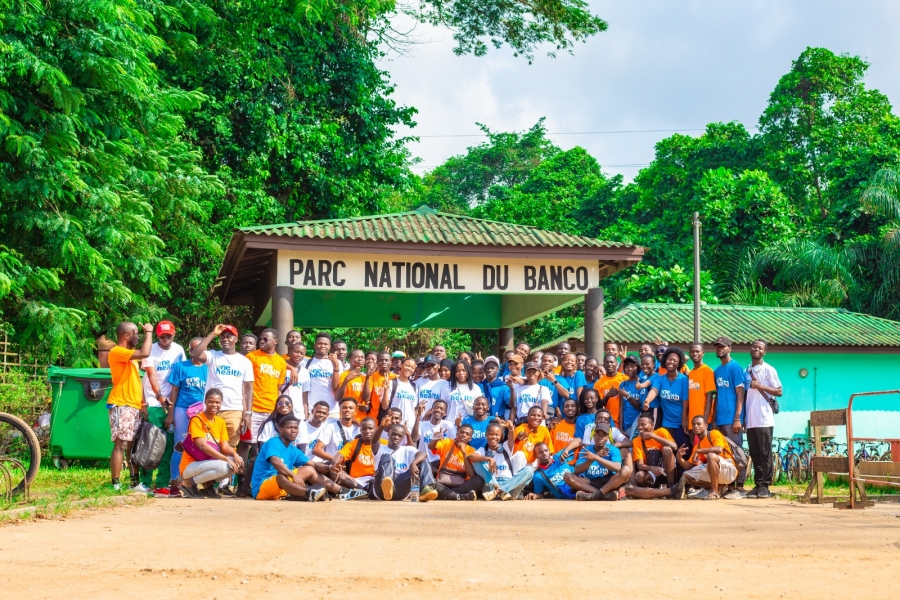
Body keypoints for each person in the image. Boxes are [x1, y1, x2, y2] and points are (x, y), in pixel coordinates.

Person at [191, 324, 253, 472]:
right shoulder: (213, 355)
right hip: (212, 409)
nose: (226, 339)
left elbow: (248, 389)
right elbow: (196, 354)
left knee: (230, 446)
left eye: (229, 336)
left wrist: (248, 413)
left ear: (236, 339)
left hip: (234, 409)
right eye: (223, 336)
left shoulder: (244, 361)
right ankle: (208, 481)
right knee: (208, 444)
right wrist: (213, 333)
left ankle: (224, 484)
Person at [136, 320, 185, 495]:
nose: (165, 338)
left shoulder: (179, 350)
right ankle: (146, 481)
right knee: (151, 443)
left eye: (168, 335)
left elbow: (180, 375)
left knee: (168, 444)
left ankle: (162, 482)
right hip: (154, 403)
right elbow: (151, 375)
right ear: (157, 336)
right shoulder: (151, 350)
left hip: (173, 404)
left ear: (174, 334)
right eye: (162, 336)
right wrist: (158, 396)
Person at [251, 414, 346, 502]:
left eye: (296, 428)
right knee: (281, 476)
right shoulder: (273, 442)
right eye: (289, 428)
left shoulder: (293, 449)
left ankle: (343, 491)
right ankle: (308, 492)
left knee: (309, 469)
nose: (293, 431)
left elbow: (313, 464)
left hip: (283, 487)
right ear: (280, 429)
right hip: (262, 488)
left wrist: (329, 468)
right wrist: (293, 476)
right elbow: (275, 462)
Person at [107, 321, 155, 490]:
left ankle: (134, 483)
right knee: (121, 444)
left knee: (133, 446)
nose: (138, 336)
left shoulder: (129, 356)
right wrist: (149, 331)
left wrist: (142, 404)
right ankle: (116, 484)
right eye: (135, 333)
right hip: (122, 404)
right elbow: (145, 352)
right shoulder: (117, 352)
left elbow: (136, 381)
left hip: (133, 405)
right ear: (126, 336)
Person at [178, 388, 245, 499]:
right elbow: (202, 446)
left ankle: (207, 486)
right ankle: (188, 483)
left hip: (208, 464)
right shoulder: (197, 420)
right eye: (211, 401)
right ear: (205, 402)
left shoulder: (220, 422)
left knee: (238, 462)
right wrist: (226, 459)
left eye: (217, 402)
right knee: (224, 466)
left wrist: (234, 455)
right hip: (190, 466)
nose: (214, 405)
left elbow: (224, 446)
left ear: (221, 403)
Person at [166, 337, 208, 496]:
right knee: (180, 445)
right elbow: (174, 391)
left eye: (198, 349)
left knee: (201, 446)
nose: (194, 352)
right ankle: (174, 483)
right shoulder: (181, 367)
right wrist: (171, 414)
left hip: (202, 412)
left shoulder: (208, 367)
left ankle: (195, 483)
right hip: (182, 410)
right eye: (191, 349)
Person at [744, 339, 782, 499]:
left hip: (764, 419)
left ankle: (765, 486)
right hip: (751, 419)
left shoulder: (769, 370)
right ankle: (758, 484)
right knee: (755, 453)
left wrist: (761, 386)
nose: (756, 349)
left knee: (765, 453)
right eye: (754, 346)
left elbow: (779, 391)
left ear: (764, 352)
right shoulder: (747, 370)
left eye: (760, 348)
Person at [713, 336, 747, 498]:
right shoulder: (717, 371)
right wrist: (714, 419)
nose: (720, 349)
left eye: (723, 347)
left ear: (729, 348)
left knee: (737, 452)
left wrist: (737, 418)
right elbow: (717, 396)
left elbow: (741, 395)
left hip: (732, 419)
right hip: (720, 419)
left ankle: (740, 487)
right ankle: (730, 486)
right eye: (717, 347)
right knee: (725, 454)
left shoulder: (735, 367)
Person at [674, 415, 739, 500]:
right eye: (693, 424)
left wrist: (699, 451)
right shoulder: (697, 446)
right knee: (686, 476)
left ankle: (714, 492)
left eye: (698, 424)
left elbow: (719, 449)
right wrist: (679, 458)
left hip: (729, 471)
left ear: (706, 426)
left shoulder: (714, 433)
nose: (695, 426)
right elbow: (689, 466)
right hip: (716, 474)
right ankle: (718, 486)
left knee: (711, 456)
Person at [623, 413, 684, 499]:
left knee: (667, 449)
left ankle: (670, 486)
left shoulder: (661, 432)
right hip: (652, 472)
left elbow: (674, 446)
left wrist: (653, 436)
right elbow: (640, 465)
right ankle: (653, 491)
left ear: (652, 425)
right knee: (639, 476)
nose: (640, 427)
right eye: (639, 425)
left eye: (643, 424)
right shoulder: (637, 440)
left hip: (667, 470)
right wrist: (652, 468)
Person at [372, 424, 438, 502]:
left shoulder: (407, 449)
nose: (396, 437)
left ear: (403, 438)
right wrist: (382, 426)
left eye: (399, 436)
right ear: (388, 433)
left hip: (400, 491)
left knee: (423, 461)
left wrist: (413, 463)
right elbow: (374, 441)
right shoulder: (380, 448)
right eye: (394, 434)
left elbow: (423, 454)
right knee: (387, 456)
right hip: (381, 490)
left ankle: (427, 489)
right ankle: (387, 483)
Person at [468, 421, 533, 500]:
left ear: (501, 436)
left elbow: (511, 439)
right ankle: (497, 489)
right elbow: (471, 456)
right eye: (491, 434)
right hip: (490, 487)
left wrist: (511, 429)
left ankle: (498, 491)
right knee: (477, 462)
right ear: (486, 435)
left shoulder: (506, 447)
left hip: (509, 488)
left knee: (529, 469)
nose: (494, 437)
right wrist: (488, 459)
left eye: (497, 435)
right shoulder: (482, 450)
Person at [643, 347, 691, 452]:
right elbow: (654, 390)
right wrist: (647, 400)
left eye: (675, 360)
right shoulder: (660, 379)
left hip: (680, 422)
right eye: (669, 359)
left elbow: (685, 405)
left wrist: (683, 424)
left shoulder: (684, 380)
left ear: (679, 364)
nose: (671, 362)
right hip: (666, 422)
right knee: (667, 450)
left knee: (681, 450)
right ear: (665, 360)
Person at [566, 422, 630, 501]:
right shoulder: (586, 449)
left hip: (609, 482)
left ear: (607, 437)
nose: (600, 437)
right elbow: (577, 470)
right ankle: (603, 495)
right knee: (567, 476)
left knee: (626, 470)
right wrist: (591, 459)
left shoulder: (613, 449)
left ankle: (595, 495)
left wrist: (596, 457)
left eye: (603, 435)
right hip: (590, 482)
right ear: (593, 435)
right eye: (597, 434)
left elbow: (617, 467)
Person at [328, 417, 380, 499]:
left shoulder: (383, 443)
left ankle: (363, 491)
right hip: (355, 481)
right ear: (360, 430)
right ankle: (365, 491)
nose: (367, 431)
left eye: (370, 428)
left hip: (376, 479)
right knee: (338, 473)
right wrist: (335, 464)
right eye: (364, 429)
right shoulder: (353, 444)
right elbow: (338, 456)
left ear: (376, 430)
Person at [429, 424, 484, 500]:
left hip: (460, 485)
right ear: (457, 433)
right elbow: (431, 447)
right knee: (428, 479)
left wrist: (464, 454)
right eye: (462, 432)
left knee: (479, 480)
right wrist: (436, 439)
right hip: (442, 483)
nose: (464, 435)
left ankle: (446, 494)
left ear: (470, 438)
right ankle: (456, 495)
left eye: (467, 434)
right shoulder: (447, 442)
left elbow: (471, 475)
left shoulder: (471, 450)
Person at [312, 397, 360, 461]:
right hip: (334, 465)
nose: (347, 410)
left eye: (351, 408)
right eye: (344, 407)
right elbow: (316, 449)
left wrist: (361, 424)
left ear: (355, 411)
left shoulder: (360, 429)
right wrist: (335, 460)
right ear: (340, 410)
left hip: (353, 466)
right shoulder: (331, 427)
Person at [306, 333, 342, 417]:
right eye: (320, 343)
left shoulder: (337, 363)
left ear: (329, 347)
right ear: (315, 345)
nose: (322, 346)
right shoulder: (307, 363)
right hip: (313, 410)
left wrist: (336, 365)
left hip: (332, 410)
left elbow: (337, 387)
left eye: (325, 344)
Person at [416, 399, 457, 471]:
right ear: (431, 410)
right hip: (423, 461)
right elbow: (414, 438)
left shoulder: (448, 425)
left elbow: (456, 443)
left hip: (440, 462)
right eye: (436, 407)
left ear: (445, 413)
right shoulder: (422, 424)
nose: (438, 410)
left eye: (441, 409)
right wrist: (418, 415)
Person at [541, 352, 585, 417]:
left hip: (575, 412)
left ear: (575, 364)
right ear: (562, 362)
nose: (569, 362)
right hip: (563, 413)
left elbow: (579, 395)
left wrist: (579, 410)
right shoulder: (560, 378)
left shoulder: (578, 374)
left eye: (572, 361)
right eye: (566, 360)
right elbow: (556, 398)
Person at [381, 356, 418, 431]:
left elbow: (413, 409)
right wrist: (385, 390)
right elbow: (384, 407)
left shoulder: (414, 386)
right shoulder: (392, 383)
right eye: (407, 365)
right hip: (393, 426)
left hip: (409, 428)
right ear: (401, 365)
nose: (409, 369)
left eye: (412, 367)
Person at [593, 353, 629, 427]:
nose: (609, 364)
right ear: (604, 365)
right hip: (610, 420)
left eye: (612, 362)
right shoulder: (598, 383)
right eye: (607, 362)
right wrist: (608, 395)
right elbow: (598, 405)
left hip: (626, 419)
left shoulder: (625, 378)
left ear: (616, 363)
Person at [334, 349, 371, 422]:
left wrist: (365, 407)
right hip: (347, 417)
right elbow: (337, 397)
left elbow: (366, 399)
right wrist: (347, 379)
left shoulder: (365, 377)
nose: (360, 359)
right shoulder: (343, 375)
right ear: (350, 359)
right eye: (356, 357)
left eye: (362, 357)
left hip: (361, 418)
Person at [688, 343, 716, 431]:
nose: (695, 354)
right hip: (692, 421)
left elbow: (709, 397)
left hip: (703, 421)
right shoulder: (691, 373)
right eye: (692, 352)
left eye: (697, 351)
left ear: (703, 353)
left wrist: (704, 421)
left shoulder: (707, 371)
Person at [617, 356, 647, 437]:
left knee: (632, 445)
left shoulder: (642, 383)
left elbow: (640, 407)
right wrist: (620, 428)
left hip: (636, 421)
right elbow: (621, 407)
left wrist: (627, 395)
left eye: (632, 366)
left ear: (638, 367)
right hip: (625, 423)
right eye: (627, 366)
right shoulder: (623, 385)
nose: (629, 369)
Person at [284, 342, 311, 419]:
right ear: (289, 352)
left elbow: (304, 397)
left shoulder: (305, 372)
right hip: (282, 410)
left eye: (302, 353)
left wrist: (305, 416)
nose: (299, 355)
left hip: (298, 413)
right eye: (296, 352)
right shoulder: (281, 367)